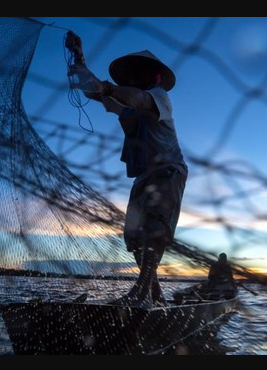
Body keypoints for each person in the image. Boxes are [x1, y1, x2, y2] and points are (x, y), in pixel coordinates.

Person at [65, 32, 188, 308]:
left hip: (168, 171)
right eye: (131, 74)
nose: (134, 78)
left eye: (140, 73)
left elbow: (137, 100)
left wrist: (106, 88)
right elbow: (94, 92)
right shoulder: (127, 105)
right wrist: (79, 58)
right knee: (134, 236)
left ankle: (140, 293)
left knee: (155, 227)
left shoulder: (159, 97)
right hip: (144, 176)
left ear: (154, 77)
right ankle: (155, 296)